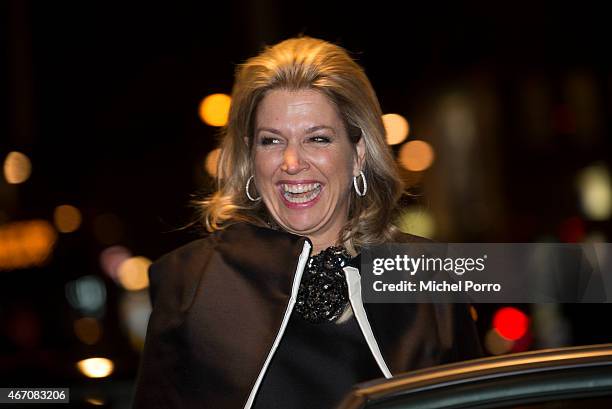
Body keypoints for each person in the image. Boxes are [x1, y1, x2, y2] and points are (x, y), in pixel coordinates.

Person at [132, 36, 482, 409]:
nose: (292, 162)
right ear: (251, 157)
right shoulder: (188, 280)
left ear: (358, 154)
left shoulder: (428, 274)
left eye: (317, 138)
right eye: (271, 141)